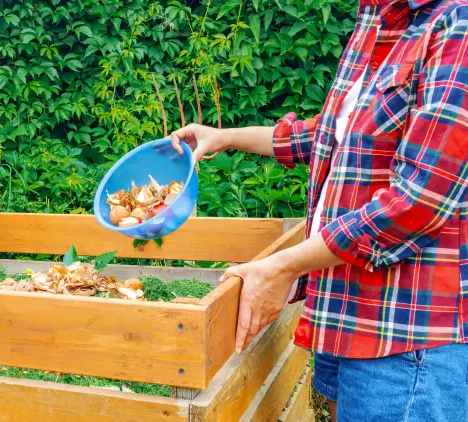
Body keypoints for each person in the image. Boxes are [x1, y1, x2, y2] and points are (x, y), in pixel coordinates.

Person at [171, 0, 468, 420]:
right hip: (344, 311)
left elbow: (419, 202)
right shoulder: (376, 16)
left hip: (407, 336)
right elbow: (337, 134)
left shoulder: (456, 22)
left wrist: (281, 267)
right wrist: (224, 136)